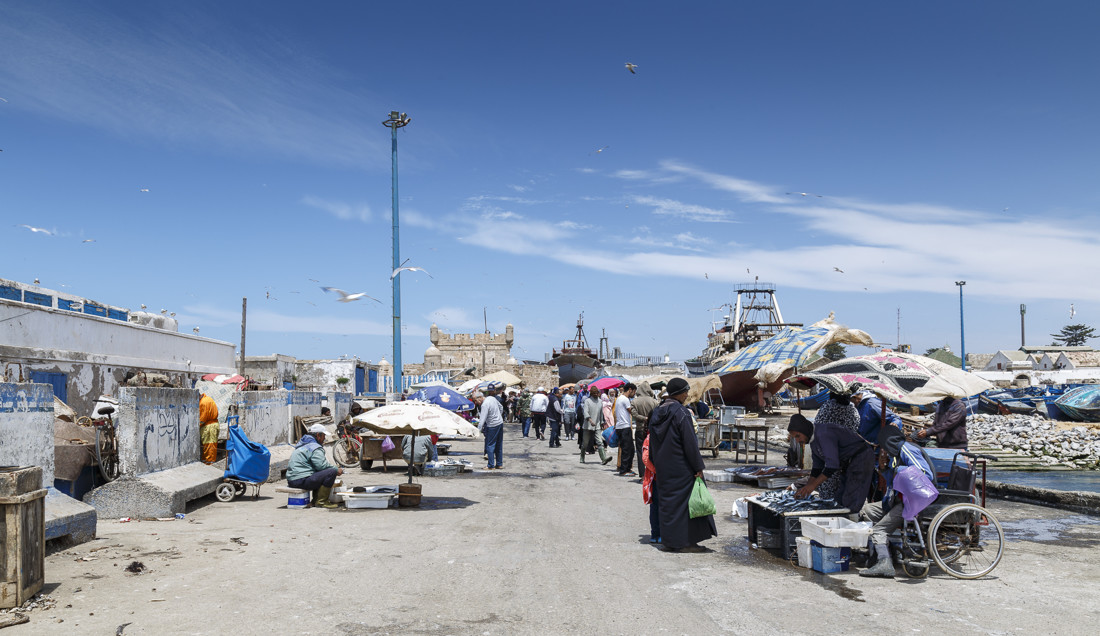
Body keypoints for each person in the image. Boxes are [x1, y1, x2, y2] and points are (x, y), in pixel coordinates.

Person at [648, 377, 717, 551]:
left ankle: (670, 541)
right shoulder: (681, 412)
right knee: (686, 505)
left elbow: (652, 442)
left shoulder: (657, 412)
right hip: (682, 467)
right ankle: (684, 543)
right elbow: (690, 443)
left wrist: (655, 463)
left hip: (663, 467)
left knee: (669, 505)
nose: (687, 395)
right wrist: (698, 467)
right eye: (686, 391)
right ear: (681, 393)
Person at [860, 429, 936, 578]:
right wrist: (884, 469)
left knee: (879, 530)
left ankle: (884, 564)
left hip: (912, 501)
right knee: (866, 511)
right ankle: (884, 552)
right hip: (897, 498)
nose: (883, 450)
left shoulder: (907, 449)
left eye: (883, 446)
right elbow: (894, 481)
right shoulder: (895, 455)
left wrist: (897, 469)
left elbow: (925, 474)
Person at [789, 405, 877, 515]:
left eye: (798, 436)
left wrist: (812, 485)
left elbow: (832, 466)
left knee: (852, 499)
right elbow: (817, 468)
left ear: (805, 430)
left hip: (861, 458)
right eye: (795, 438)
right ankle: (844, 519)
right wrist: (807, 488)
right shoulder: (813, 440)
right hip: (848, 463)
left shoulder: (823, 434)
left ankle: (851, 524)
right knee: (839, 499)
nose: (798, 441)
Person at [287, 423, 343, 508]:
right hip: (301, 480)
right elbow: (321, 465)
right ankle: (321, 502)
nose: (324, 438)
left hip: (292, 480)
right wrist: (336, 469)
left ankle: (315, 501)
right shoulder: (315, 447)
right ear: (318, 435)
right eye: (324, 436)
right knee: (331, 472)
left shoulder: (302, 444)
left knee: (320, 473)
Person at [631, 381, 658, 478]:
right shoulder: (654, 402)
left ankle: (642, 475)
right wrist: (648, 419)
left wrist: (643, 418)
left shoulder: (634, 401)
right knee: (652, 452)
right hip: (651, 431)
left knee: (640, 452)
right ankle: (652, 473)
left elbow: (634, 415)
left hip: (639, 429)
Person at [472, 391, 505, 470]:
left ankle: (491, 465)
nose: (475, 403)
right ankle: (499, 464)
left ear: (479, 397)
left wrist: (478, 431)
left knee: (490, 445)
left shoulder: (484, 405)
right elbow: (501, 407)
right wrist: (498, 416)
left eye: (475, 400)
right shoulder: (492, 398)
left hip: (492, 425)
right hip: (500, 423)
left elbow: (482, 419)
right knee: (499, 445)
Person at [580, 386, 612, 465]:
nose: (595, 394)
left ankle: (604, 458)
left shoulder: (600, 402)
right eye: (594, 393)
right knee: (585, 443)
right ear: (591, 393)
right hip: (588, 426)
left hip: (597, 425)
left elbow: (601, 413)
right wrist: (590, 420)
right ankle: (582, 457)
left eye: (596, 393)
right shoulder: (587, 401)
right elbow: (585, 412)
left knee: (599, 442)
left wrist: (601, 422)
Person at [615, 383, 637, 477]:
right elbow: (631, 411)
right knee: (627, 450)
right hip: (624, 427)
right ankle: (624, 470)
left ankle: (627, 468)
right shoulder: (625, 399)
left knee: (630, 449)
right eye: (634, 392)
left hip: (621, 427)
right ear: (630, 390)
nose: (634, 394)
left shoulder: (620, 398)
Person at [642, 434, 660, 544]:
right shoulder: (650, 437)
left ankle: (658, 534)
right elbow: (645, 457)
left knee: (657, 506)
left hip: (661, 477)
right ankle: (656, 533)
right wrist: (656, 470)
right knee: (656, 505)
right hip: (656, 478)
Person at [199, 393, 219, 465]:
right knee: (211, 445)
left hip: (209, 427)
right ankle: (208, 462)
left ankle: (209, 464)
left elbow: (202, 418)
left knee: (209, 446)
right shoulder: (208, 399)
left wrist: (197, 426)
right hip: (214, 425)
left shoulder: (203, 402)